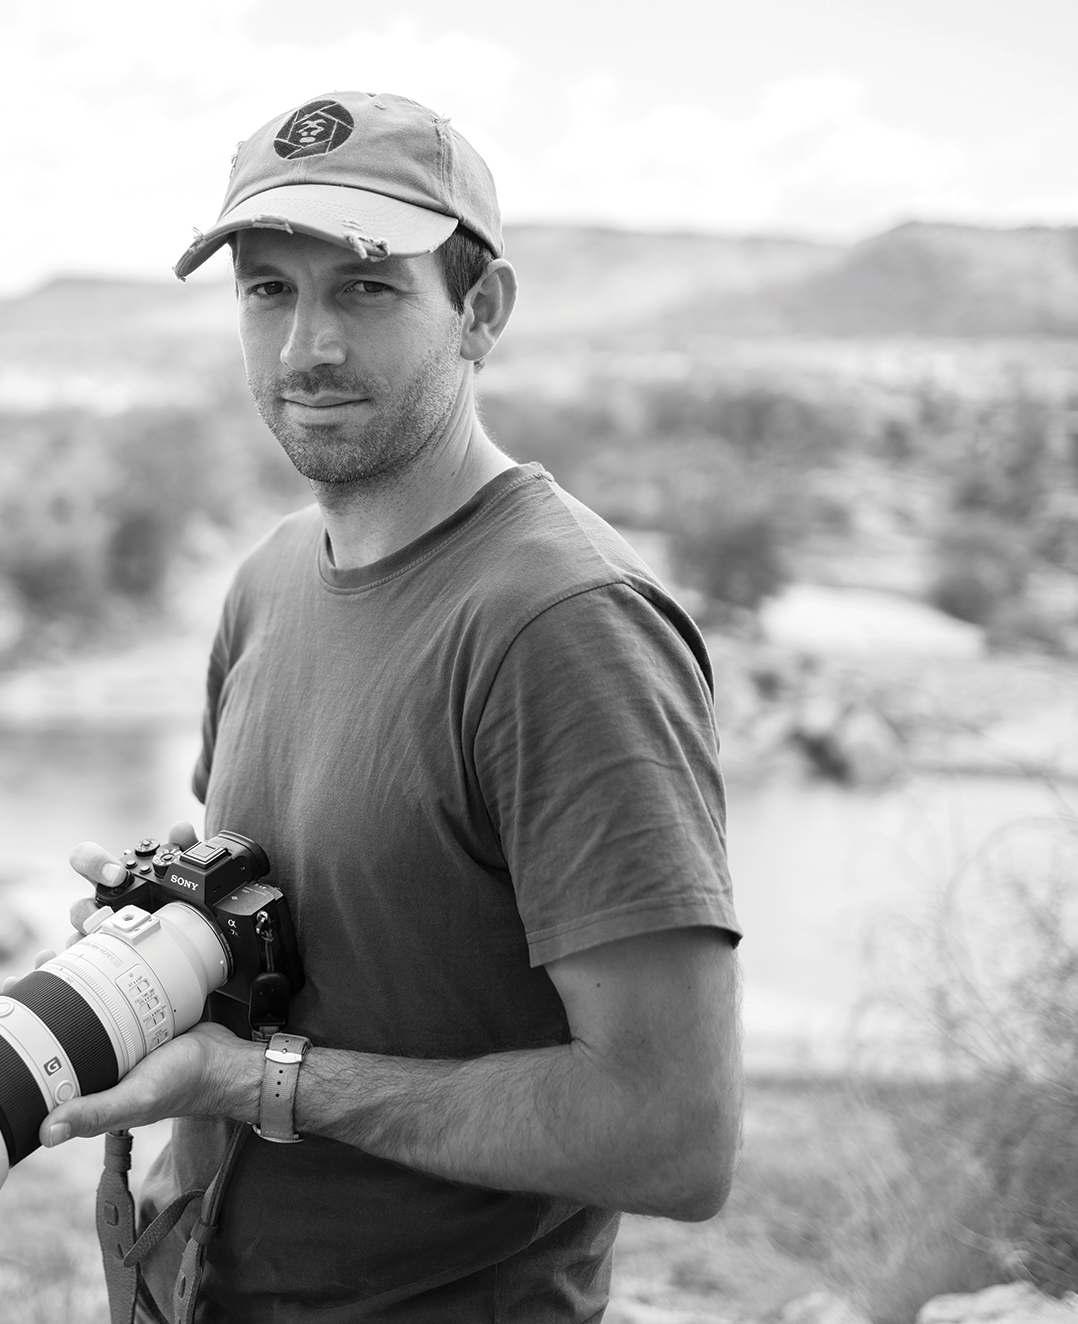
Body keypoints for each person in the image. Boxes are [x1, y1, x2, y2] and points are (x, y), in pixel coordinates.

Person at [37, 91, 743, 1321]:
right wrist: (151, 939)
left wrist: (261, 1083)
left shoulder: (561, 627)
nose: (306, 346)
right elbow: (311, 932)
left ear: (482, 311)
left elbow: (671, 1133)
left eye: (364, 287)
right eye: (268, 290)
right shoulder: (265, 581)